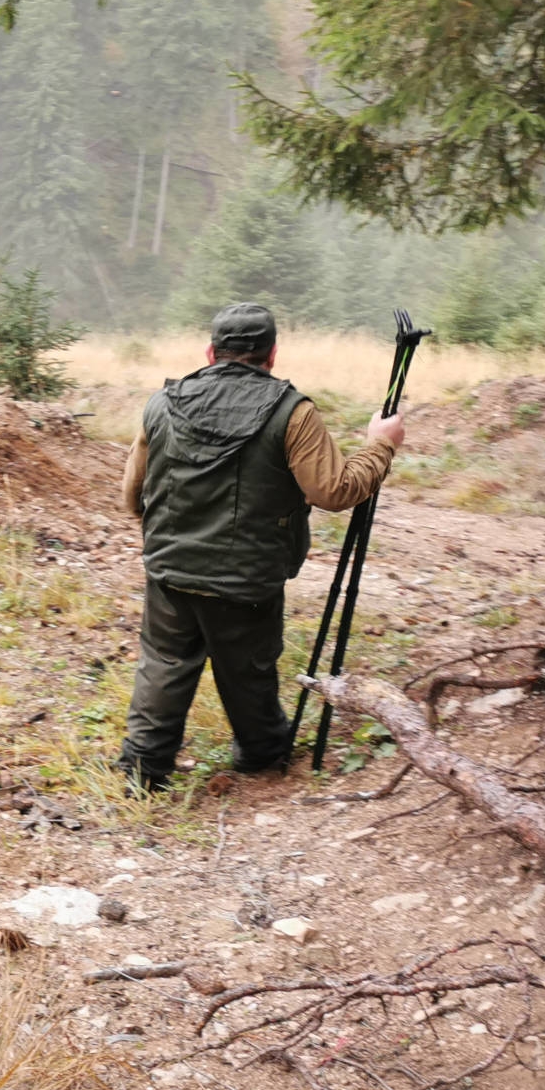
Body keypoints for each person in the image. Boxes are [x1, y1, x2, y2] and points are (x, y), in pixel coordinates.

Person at [117, 302, 406, 789]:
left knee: (163, 665)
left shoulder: (161, 404)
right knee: (248, 668)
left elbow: (132, 495)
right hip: (248, 578)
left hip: (170, 570)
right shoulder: (291, 412)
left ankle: (142, 772)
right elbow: (333, 491)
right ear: (271, 355)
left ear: (211, 352)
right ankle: (263, 755)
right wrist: (382, 444)